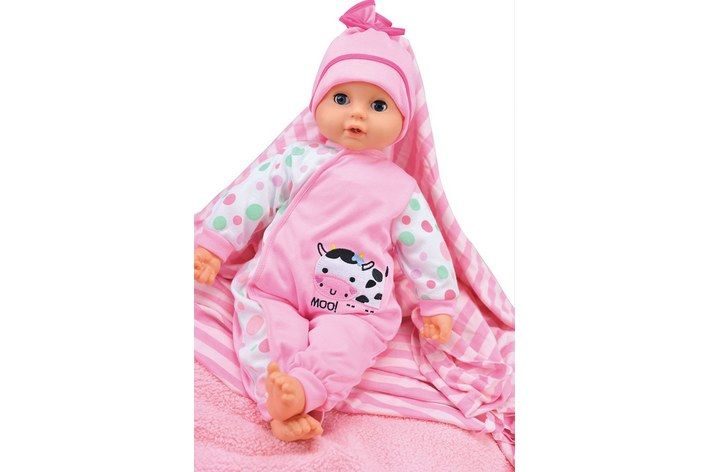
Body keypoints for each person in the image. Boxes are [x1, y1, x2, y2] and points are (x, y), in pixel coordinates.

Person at [194, 29, 459, 441]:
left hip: (354, 304)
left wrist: (438, 300)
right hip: (278, 286)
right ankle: (278, 397)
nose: (357, 115)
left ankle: (306, 390)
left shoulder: (400, 187)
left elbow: (425, 246)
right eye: (341, 99)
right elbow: (250, 197)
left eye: (378, 105)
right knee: (268, 331)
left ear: (403, 122)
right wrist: (215, 244)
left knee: (348, 342)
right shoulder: (298, 160)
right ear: (316, 103)